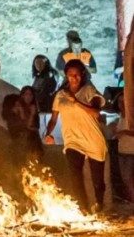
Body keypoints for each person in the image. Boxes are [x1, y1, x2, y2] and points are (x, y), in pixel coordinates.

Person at [44, 59, 107, 212]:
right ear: (66, 76)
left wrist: (76, 101)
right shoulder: (61, 95)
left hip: (92, 138)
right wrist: (48, 133)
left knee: (97, 179)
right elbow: (54, 118)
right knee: (75, 173)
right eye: (71, 75)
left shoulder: (90, 91)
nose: (74, 78)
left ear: (82, 75)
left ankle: (99, 204)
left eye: (77, 75)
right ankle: (83, 207)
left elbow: (96, 112)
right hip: (72, 139)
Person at [115, 96, 134, 202]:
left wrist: (124, 132)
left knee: (129, 178)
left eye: (123, 101)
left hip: (132, 151)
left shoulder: (131, 117)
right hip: (122, 151)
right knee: (126, 179)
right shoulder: (119, 117)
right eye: (119, 102)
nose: (121, 104)